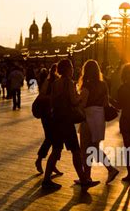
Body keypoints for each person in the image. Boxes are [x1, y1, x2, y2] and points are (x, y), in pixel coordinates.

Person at [42, 58, 99, 192]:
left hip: (56, 119)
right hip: (66, 121)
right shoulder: (69, 83)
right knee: (76, 151)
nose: (73, 69)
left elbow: (52, 101)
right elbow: (74, 101)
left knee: (56, 150)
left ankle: (46, 179)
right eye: (71, 67)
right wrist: (80, 98)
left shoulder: (56, 83)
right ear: (68, 69)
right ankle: (84, 180)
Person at [78, 59, 119, 185]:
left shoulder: (87, 85)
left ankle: (88, 177)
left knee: (85, 149)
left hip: (88, 117)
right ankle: (106, 170)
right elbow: (106, 103)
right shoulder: (103, 85)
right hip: (99, 117)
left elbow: (82, 104)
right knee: (94, 147)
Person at [35, 64, 62, 176]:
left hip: (56, 114)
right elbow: (41, 96)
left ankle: (52, 164)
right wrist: (52, 97)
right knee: (50, 138)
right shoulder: (49, 82)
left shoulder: (61, 81)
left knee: (57, 140)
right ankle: (40, 159)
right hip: (47, 114)